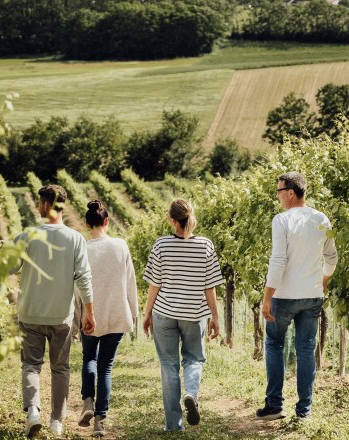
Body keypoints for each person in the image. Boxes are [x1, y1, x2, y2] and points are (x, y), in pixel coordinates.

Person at [14, 184, 97, 438]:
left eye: (40, 203)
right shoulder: (75, 239)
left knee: (31, 366)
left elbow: (5, 267)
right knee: (60, 368)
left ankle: (33, 414)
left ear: (47, 205)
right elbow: (84, 278)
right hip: (62, 315)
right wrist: (89, 312)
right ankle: (57, 423)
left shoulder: (27, 236)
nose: (39, 207)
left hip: (30, 314)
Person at [257, 172, 338, 421]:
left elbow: (279, 259)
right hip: (312, 296)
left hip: (284, 296)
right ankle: (304, 411)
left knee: (274, 344)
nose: (278, 196)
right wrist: (322, 281)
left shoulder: (281, 220)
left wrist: (268, 295)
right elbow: (332, 258)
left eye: (279, 191)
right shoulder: (321, 218)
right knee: (305, 350)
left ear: (290, 192)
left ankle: (275, 405)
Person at [142, 199, 224, 432]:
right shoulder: (205, 246)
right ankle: (191, 393)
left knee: (168, 365)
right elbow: (210, 287)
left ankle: (174, 425)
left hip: (164, 313)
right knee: (194, 359)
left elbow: (154, 286)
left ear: (171, 220)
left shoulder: (161, 245)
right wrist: (215, 317)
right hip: (193, 314)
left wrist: (147, 314)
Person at [72, 200, 139, 437]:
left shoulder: (83, 249)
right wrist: (134, 311)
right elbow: (130, 280)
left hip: (90, 315)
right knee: (106, 367)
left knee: (89, 358)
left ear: (87, 223)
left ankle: (88, 402)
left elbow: (77, 287)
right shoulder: (120, 246)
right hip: (116, 313)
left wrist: (77, 317)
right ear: (107, 221)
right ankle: (100, 421)